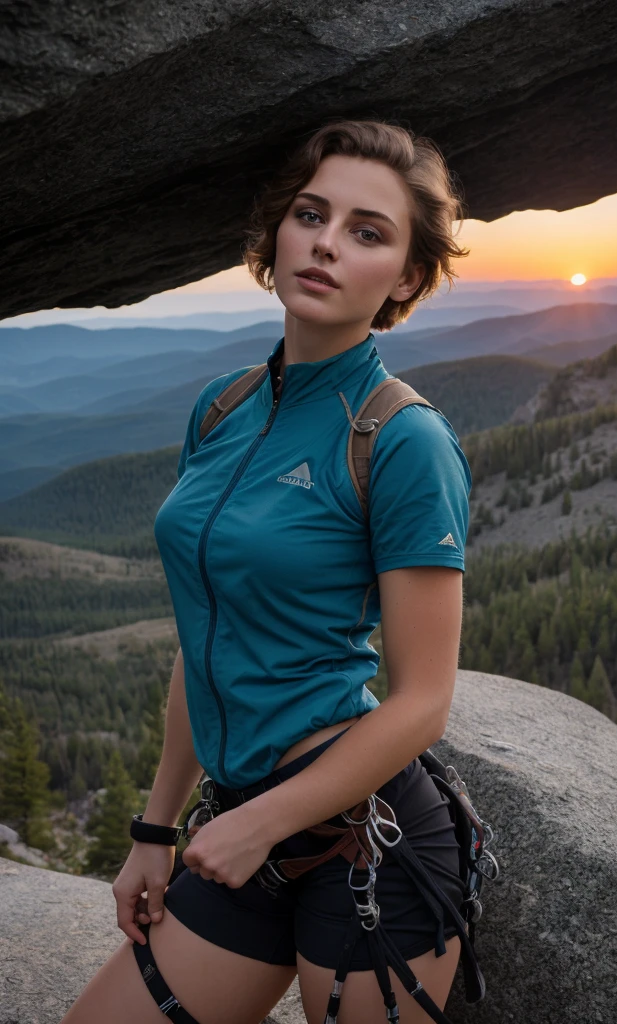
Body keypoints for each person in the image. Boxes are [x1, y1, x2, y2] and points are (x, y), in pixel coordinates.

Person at [61, 117, 474, 1024]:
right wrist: (156, 830)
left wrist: (257, 822)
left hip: (365, 842)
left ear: (405, 277)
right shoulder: (224, 407)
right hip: (239, 825)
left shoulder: (402, 439)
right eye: (310, 214)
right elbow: (202, 634)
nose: (326, 242)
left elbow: (422, 700)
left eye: (368, 232)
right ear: (276, 234)